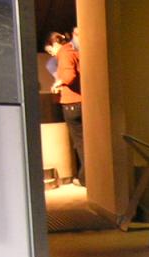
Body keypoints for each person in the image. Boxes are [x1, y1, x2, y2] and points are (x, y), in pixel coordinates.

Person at [47, 31, 84, 186]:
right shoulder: (76, 50)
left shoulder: (64, 53)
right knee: (86, 141)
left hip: (71, 103)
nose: (51, 54)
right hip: (83, 101)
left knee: (80, 142)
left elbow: (69, 76)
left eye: (50, 50)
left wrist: (58, 83)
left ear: (55, 44)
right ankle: (89, 177)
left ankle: (85, 178)